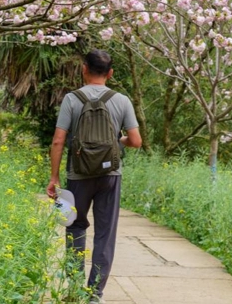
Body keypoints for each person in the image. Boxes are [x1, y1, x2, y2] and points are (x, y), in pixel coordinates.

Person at [46, 49, 142, 303]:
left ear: (84, 69)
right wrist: (116, 142)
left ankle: (75, 288)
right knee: (105, 233)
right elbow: (135, 141)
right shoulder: (121, 100)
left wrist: (54, 178)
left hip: (77, 176)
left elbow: (58, 141)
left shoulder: (71, 99)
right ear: (110, 73)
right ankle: (94, 294)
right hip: (111, 175)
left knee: (74, 226)